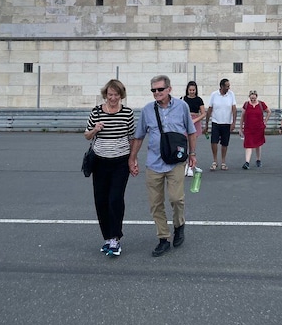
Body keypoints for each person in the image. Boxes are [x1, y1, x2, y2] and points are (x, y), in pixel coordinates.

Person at [129, 75, 197, 257]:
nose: (156, 93)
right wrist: (132, 159)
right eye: (153, 90)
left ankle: (179, 225)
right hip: (154, 163)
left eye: (160, 89)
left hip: (176, 161)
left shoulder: (182, 107)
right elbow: (139, 136)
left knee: (176, 198)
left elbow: (191, 132)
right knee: (156, 203)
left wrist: (192, 154)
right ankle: (163, 238)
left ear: (169, 89)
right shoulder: (147, 111)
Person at [84, 79, 136, 257]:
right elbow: (86, 135)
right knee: (101, 200)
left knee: (115, 199)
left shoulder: (127, 113)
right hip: (100, 162)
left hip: (120, 162)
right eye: (110, 94)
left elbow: (132, 138)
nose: (113, 98)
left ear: (121, 96)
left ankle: (115, 238)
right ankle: (107, 237)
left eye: (116, 95)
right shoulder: (96, 112)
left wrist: (132, 160)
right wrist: (95, 130)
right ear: (105, 95)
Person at [205, 78, 236, 171]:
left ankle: (223, 162)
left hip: (227, 122)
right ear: (222, 86)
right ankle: (215, 161)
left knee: (224, 143)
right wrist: (206, 123)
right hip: (216, 122)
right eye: (227, 86)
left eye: (229, 86)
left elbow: (234, 108)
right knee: (214, 141)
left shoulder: (231, 94)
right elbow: (210, 109)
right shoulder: (214, 95)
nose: (228, 88)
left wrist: (233, 122)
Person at [239, 90, 271, 169]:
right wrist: (240, 128)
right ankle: (247, 162)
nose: (253, 99)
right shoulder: (246, 105)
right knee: (248, 144)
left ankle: (258, 160)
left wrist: (265, 121)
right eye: (251, 98)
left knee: (258, 144)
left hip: (259, 128)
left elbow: (269, 111)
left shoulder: (261, 104)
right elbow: (242, 117)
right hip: (248, 128)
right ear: (249, 97)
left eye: (254, 98)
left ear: (256, 96)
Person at [182, 80, 206, 177]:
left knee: (192, 146)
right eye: (190, 90)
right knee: (184, 146)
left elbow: (204, 113)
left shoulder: (199, 100)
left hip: (195, 122)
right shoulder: (183, 99)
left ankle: (191, 166)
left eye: (193, 90)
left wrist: (196, 120)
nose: (192, 91)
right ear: (187, 90)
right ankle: (184, 165)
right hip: (185, 122)